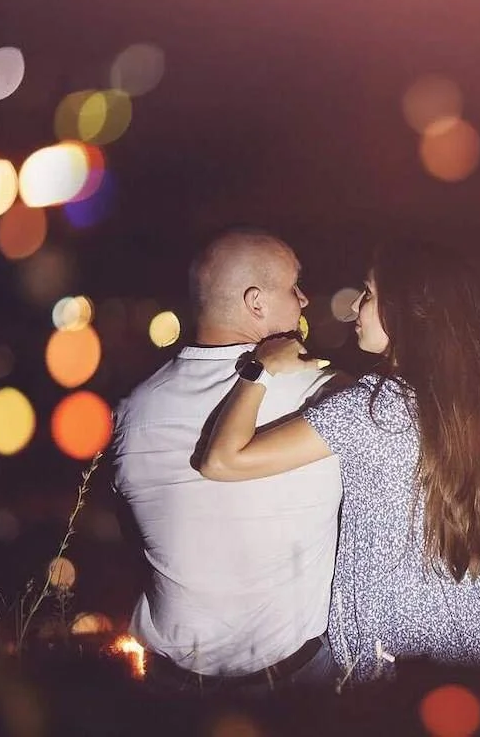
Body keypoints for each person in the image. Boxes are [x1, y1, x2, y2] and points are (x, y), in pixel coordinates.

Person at [195, 240, 480, 684]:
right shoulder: (458, 403)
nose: (355, 310)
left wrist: (259, 370)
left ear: (403, 310)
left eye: (367, 294)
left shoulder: (368, 411)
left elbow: (222, 461)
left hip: (404, 646)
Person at [110, 229, 342, 696]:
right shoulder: (320, 394)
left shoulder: (133, 411)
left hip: (166, 689)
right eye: (294, 286)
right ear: (255, 303)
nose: (304, 298)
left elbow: (135, 535)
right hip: (292, 688)